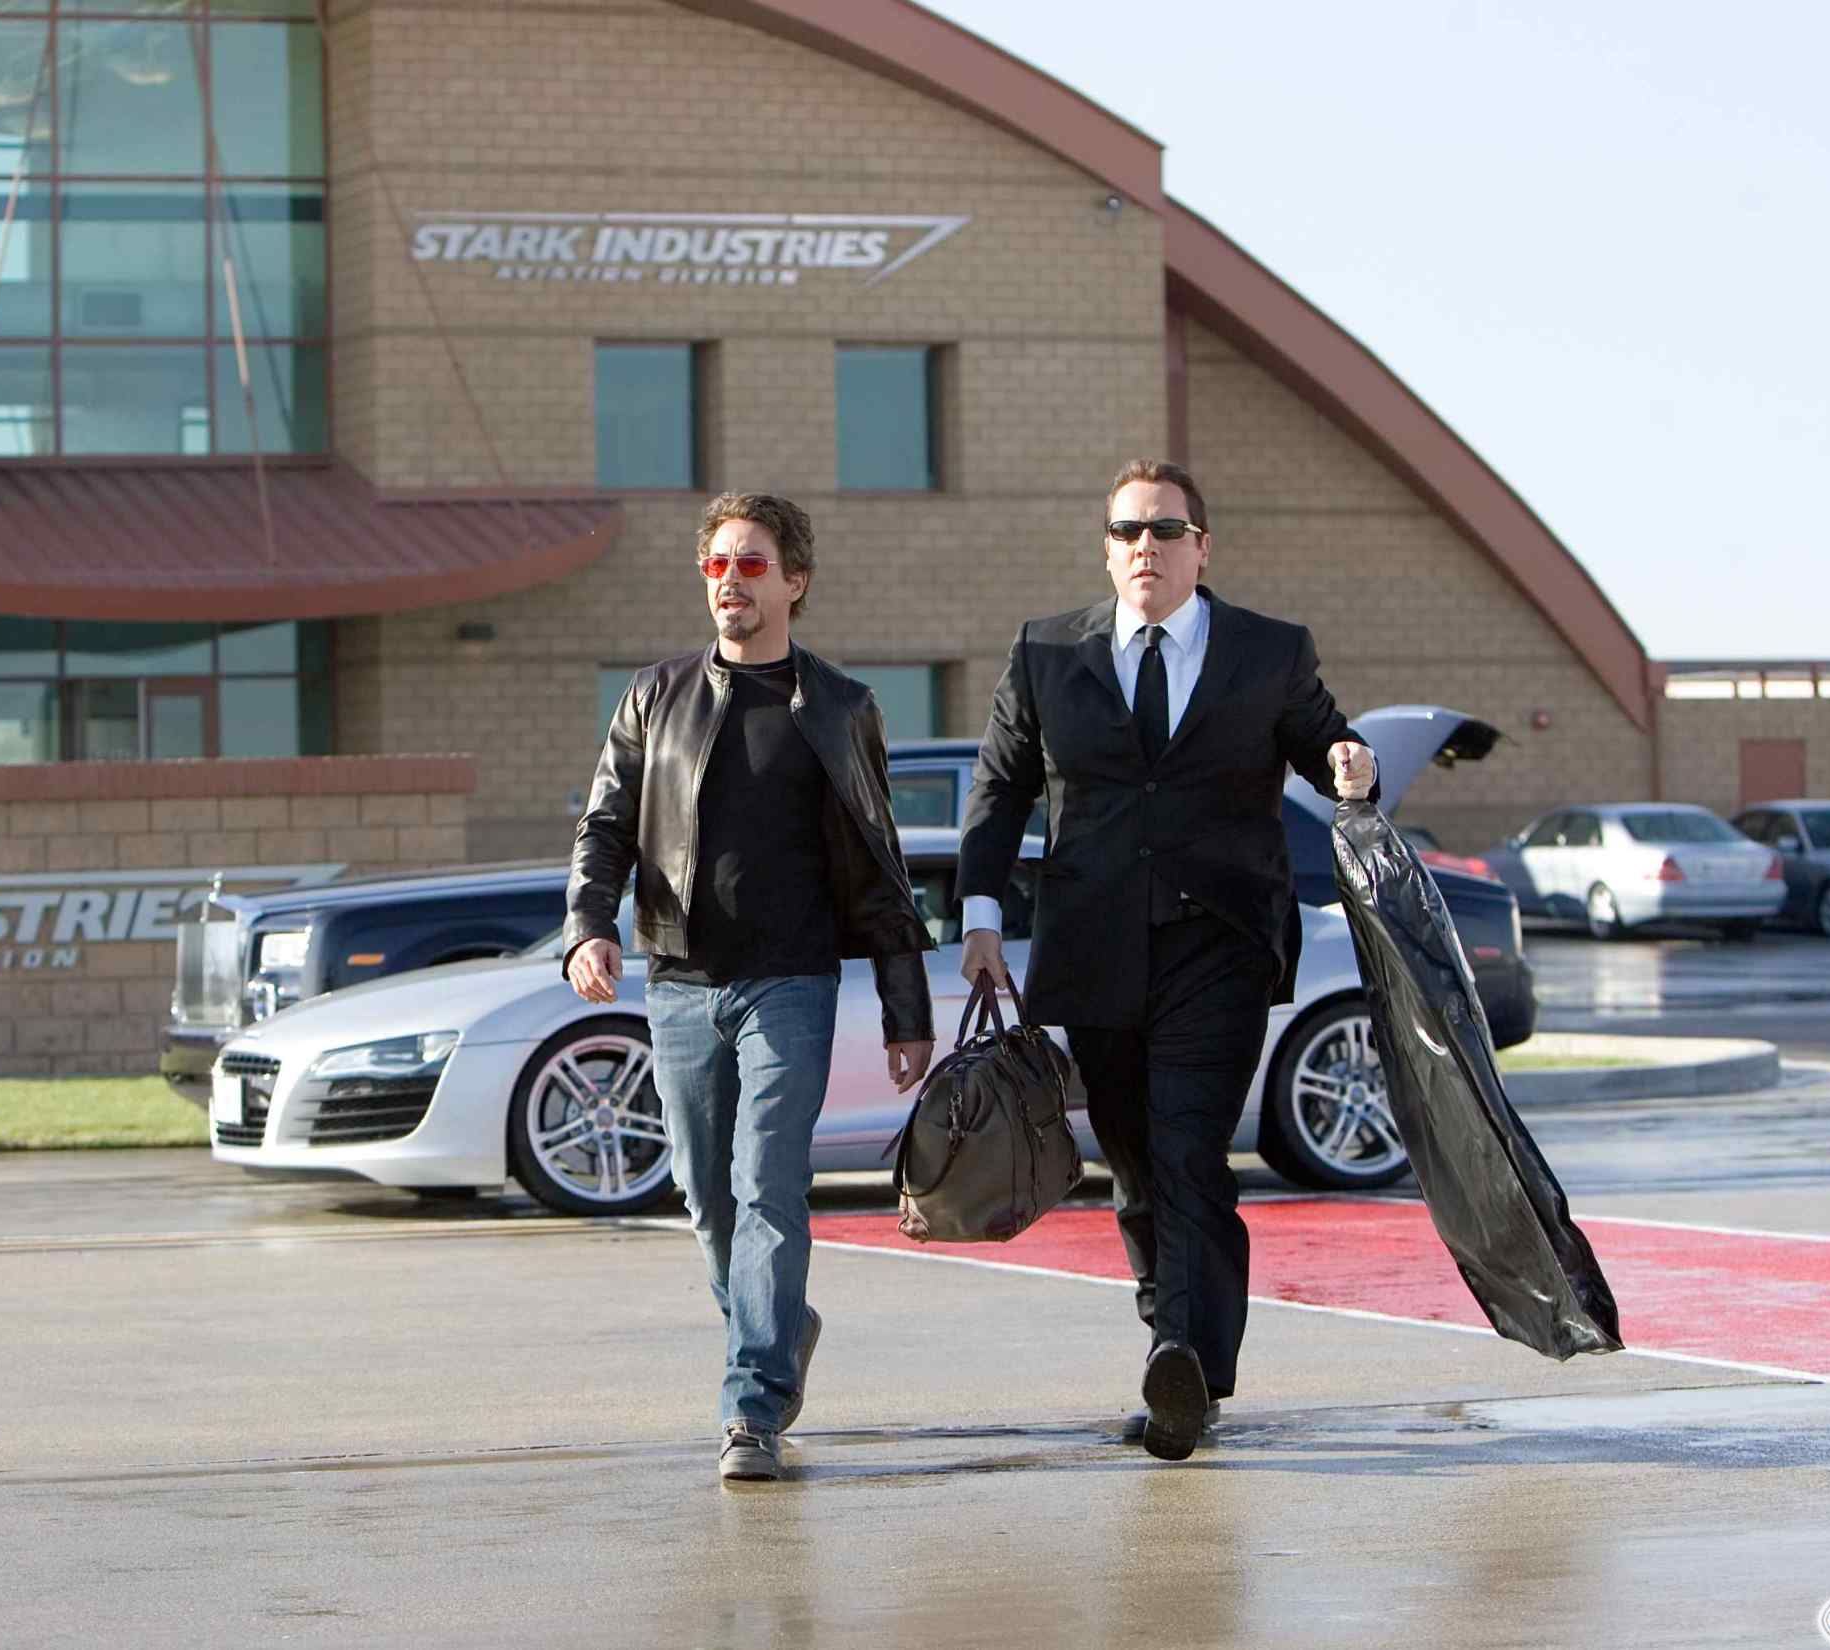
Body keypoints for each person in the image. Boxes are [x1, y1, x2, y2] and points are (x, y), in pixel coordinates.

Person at [956, 458, 1378, 1461]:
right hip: (1096, 943)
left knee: (1189, 1147)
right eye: (1127, 531)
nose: (1145, 546)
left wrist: (1351, 766)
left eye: (1165, 530)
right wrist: (979, 916)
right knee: (1137, 1162)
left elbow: (1327, 743)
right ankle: (1175, 1346)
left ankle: (1183, 1357)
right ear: (1107, 550)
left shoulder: (1268, 650)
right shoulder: (1045, 651)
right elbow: (1001, 788)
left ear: (1202, 548)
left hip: (1220, 942)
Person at [564, 492, 936, 1484]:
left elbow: (881, 861)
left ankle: (752, 1408)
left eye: (752, 564)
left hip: (792, 984)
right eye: (717, 564)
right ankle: (778, 1328)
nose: (729, 580)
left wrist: (905, 1009)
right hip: (681, 981)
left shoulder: (840, 707)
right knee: (704, 1192)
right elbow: (606, 825)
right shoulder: (655, 696)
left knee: (768, 1184)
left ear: (794, 581)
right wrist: (587, 927)